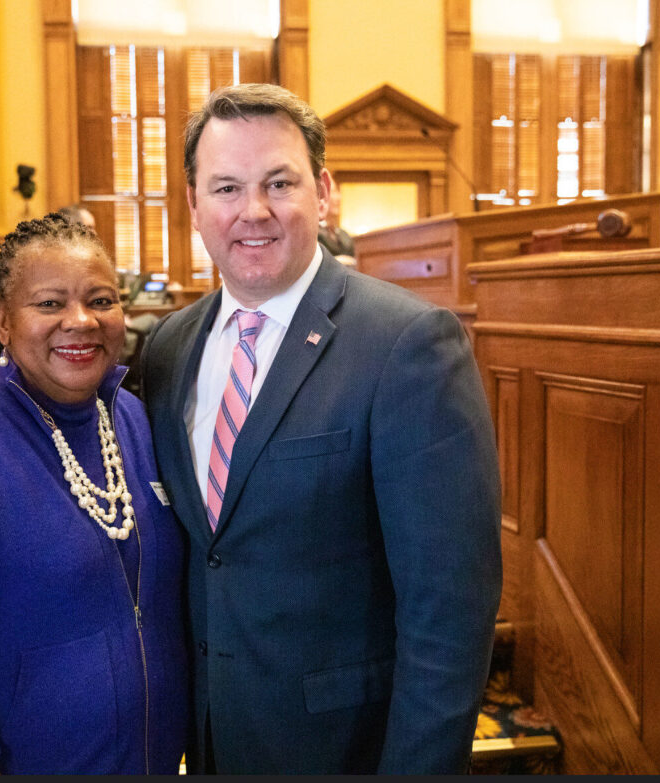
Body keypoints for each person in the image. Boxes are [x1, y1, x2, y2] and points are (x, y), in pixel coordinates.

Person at [140, 83, 502, 774]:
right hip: (210, 740)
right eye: (225, 187)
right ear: (192, 204)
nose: (254, 210)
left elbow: (450, 608)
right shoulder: (168, 348)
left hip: (345, 749)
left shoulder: (408, 345)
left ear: (324, 190)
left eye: (280, 182)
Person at [0, 213, 188, 775]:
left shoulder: (139, 421)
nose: (80, 321)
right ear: (2, 321)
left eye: (101, 300)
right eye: (49, 304)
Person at [317, 181, 356, 264]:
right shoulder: (311, 234)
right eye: (333, 192)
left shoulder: (344, 235)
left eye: (338, 192)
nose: (339, 198)